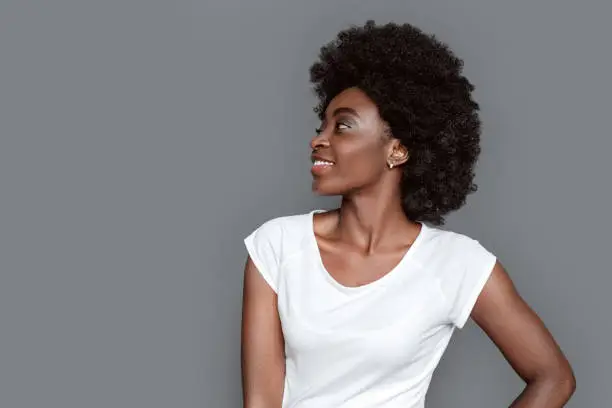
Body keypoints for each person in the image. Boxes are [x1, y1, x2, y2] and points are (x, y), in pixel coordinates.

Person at [241, 20, 575, 408]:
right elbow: (261, 400)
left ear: (397, 151)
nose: (319, 139)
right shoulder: (277, 245)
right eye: (323, 124)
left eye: (343, 126)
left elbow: (553, 378)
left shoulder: (456, 264)